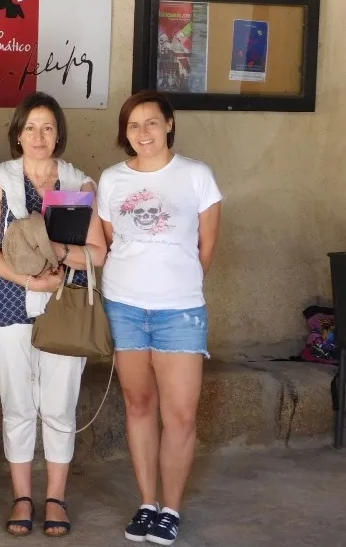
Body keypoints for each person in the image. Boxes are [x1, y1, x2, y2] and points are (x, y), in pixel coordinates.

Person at [0, 93, 106, 537]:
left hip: (64, 306)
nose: (38, 136)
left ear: (59, 134)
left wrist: (61, 255)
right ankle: (22, 497)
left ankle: (55, 499)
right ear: (17, 133)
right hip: (8, 306)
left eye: (47, 127)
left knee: (58, 406)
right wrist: (31, 280)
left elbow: (98, 252)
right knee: (17, 405)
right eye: (30, 127)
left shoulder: (79, 184)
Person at [97, 91, 222, 545]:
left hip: (180, 310)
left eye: (151, 123)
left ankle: (171, 508)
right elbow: (113, 242)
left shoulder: (196, 177)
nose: (143, 132)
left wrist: (177, 283)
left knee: (181, 414)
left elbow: (206, 246)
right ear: (124, 133)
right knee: (139, 405)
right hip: (125, 305)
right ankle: (147, 502)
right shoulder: (111, 179)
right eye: (133, 125)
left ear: (169, 124)